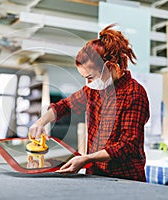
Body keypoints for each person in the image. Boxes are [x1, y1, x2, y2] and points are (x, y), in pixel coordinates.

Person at [29, 24, 150, 182]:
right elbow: (65, 106)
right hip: (95, 174)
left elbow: (127, 145)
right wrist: (41, 122)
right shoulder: (93, 91)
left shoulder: (134, 93)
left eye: (90, 77)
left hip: (125, 177)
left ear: (110, 67)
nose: (87, 83)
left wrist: (87, 159)